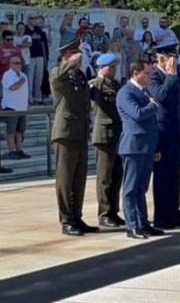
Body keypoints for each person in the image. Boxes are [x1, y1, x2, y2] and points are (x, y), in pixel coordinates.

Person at [49, 39, 98, 236]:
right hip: (65, 132)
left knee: (79, 178)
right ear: (66, 55)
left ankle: (77, 216)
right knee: (65, 178)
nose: (80, 57)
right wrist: (68, 62)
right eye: (75, 53)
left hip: (80, 131)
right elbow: (56, 79)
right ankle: (66, 219)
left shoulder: (78, 75)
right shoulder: (57, 72)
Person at [117, 61, 164, 239]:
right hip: (133, 146)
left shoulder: (144, 91)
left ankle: (143, 223)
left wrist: (155, 146)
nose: (149, 76)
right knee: (130, 188)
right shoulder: (126, 92)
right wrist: (153, 105)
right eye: (146, 73)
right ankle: (132, 226)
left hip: (146, 146)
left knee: (141, 188)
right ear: (135, 73)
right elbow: (137, 114)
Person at [147, 45, 180, 229]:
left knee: (174, 175)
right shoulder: (154, 77)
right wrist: (171, 76)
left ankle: (173, 211)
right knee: (163, 176)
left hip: (174, 132)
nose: (174, 61)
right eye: (170, 57)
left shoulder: (172, 77)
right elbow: (161, 97)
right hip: (162, 133)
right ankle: (161, 216)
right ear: (161, 59)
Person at [90, 53, 126, 227]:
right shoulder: (96, 84)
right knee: (104, 177)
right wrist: (98, 78)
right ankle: (104, 213)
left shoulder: (116, 84)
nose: (114, 70)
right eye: (111, 67)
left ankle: (113, 210)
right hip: (104, 134)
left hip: (118, 134)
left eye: (115, 67)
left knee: (117, 175)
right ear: (102, 67)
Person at [1, 56, 30, 160]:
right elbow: (12, 87)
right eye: (15, 63)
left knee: (20, 131)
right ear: (10, 64)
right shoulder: (7, 75)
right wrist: (21, 82)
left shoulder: (23, 75)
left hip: (22, 107)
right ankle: (11, 150)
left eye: (19, 63)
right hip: (11, 106)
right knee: (11, 130)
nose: (18, 65)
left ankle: (19, 149)